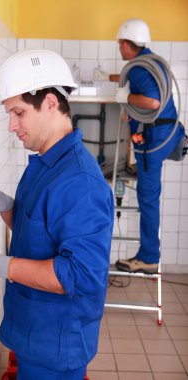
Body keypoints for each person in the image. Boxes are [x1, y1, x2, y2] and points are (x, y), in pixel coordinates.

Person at [0, 50, 114, 380]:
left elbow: (80, 276)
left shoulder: (80, 182)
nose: (12, 126)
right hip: (33, 332)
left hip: (56, 345)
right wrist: (8, 208)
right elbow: (42, 233)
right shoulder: (44, 162)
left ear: (51, 103)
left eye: (18, 112)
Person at [95, 18, 186, 274]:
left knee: (148, 198)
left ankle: (148, 256)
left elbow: (153, 102)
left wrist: (128, 98)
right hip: (166, 134)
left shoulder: (138, 68)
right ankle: (148, 252)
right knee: (149, 194)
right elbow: (137, 83)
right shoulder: (152, 61)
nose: (119, 48)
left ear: (126, 43)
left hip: (153, 141)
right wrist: (110, 78)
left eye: (119, 43)